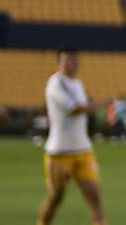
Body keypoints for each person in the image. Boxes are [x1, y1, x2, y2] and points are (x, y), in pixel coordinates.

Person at [39, 47, 107, 225]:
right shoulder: (56, 83)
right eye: (68, 60)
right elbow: (74, 109)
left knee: (94, 197)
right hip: (60, 153)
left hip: (83, 150)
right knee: (56, 197)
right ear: (59, 63)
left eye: (75, 60)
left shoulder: (77, 84)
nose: (73, 63)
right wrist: (100, 105)